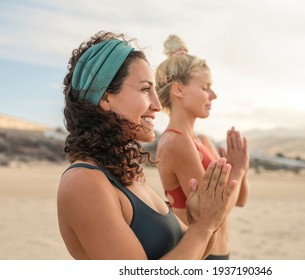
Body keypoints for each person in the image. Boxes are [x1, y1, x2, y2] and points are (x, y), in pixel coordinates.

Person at [57, 31, 237, 260]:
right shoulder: (83, 182)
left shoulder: (130, 176)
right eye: (144, 89)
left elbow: (193, 253)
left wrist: (206, 221)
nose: (157, 105)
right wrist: (202, 228)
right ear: (104, 98)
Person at [155, 35, 250, 260]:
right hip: (201, 257)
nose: (213, 95)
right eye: (205, 87)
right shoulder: (176, 143)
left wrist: (240, 170)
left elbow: (240, 200)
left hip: (220, 254)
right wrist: (238, 170)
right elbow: (213, 216)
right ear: (178, 89)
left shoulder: (203, 141)